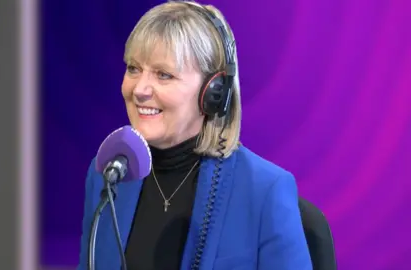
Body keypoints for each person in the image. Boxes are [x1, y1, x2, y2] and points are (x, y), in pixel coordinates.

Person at [77, 1, 312, 269]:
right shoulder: (108, 175)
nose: (140, 89)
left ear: (213, 93)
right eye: (133, 68)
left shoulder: (265, 190)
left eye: (163, 75)